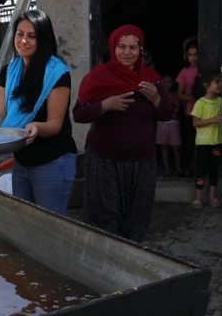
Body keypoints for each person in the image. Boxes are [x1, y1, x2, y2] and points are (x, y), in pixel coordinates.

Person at [0, 9, 77, 215]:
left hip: (52, 161)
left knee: (50, 226)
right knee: (26, 222)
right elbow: (0, 115)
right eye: (20, 34)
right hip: (22, 161)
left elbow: (54, 123)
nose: (24, 40)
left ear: (43, 38)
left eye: (32, 36)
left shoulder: (56, 73)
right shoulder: (9, 71)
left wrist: (35, 127)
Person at [72, 24, 174, 242]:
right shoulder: (98, 77)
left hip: (142, 163)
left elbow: (167, 113)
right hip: (105, 161)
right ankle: (101, 265)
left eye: (133, 47)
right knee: (104, 219)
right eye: (122, 46)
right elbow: (79, 114)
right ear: (113, 47)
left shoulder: (151, 78)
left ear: (140, 50)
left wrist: (156, 98)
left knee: (136, 218)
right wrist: (105, 105)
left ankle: (128, 263)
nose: (127, 52)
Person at [190, 70, 222, 209]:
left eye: (220, 82)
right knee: (201, 170)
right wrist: (213, 120)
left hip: (218, 143)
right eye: (217, 82)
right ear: (206, 85)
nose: (220, 84)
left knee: (214, 170)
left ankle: (212, 197)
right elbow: (195, 123)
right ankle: (198, 198)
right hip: (204, 144)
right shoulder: (200, 103)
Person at [176, 37, 198, 176]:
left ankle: (198, 168)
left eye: (196, 54)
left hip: (206, 112)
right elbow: (179, 94)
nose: (193, 58)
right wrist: (191, 97)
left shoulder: (205, 69)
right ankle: (189, 168)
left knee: (203, 141)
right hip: (190, 112)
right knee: (191, 141)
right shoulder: (185, 72)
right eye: (190, 55)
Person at [156, 74, 184, 177]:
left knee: (176, 147)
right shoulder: (158, 95)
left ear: (172, 84)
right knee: (164, 146)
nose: (167, 84)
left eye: (169, 82)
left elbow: (177, 109)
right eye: (165, 82)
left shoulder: (175, 95)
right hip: (162, 123)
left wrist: (165, 109)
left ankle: (178, 168)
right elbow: (157, 108)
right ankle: (166, 169)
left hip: (173, 122)